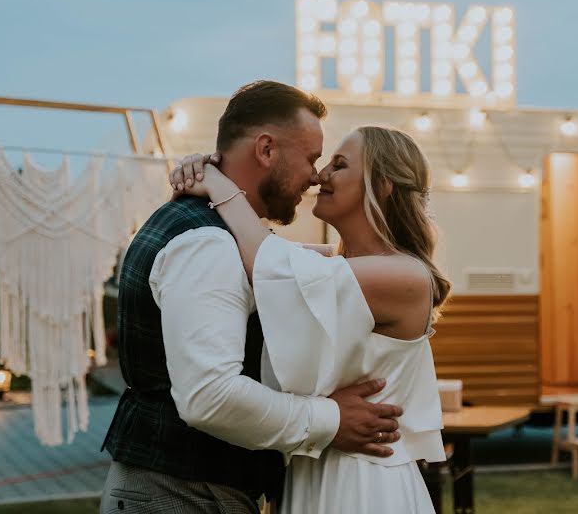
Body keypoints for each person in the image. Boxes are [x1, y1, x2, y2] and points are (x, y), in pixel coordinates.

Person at [100, 81, 403, 514]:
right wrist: (332, 420)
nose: (316, 176)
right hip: (181, 495)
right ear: (266, 150)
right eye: (311, 158)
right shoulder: (208, 243)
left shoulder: (214, 233)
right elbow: (211, 396)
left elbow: (303, 265)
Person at [171, 124, 450, 513]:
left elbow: (269, 264)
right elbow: (275, 259)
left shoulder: (404, 276)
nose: (320, 176)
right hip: (311, 469)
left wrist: (217, 184)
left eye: (339, 165)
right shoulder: (331, 268)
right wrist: (201, 168)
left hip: (363, 484)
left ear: (382, 185)